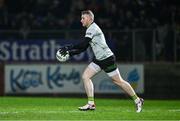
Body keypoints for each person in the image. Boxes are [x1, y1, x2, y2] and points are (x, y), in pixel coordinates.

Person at [59, 10, 144, 113]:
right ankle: (91, 104)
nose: (81, 20)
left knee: (118, 81)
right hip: (99, 59)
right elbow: (84, 48)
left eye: (83, 18)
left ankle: (137, 100)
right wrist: (70, 53)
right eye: (81, 18)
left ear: (90, 19)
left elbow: (84, 44)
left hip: (107, 58)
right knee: (86, 76)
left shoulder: (93, 28)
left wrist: (69, 47)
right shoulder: (90, 29)